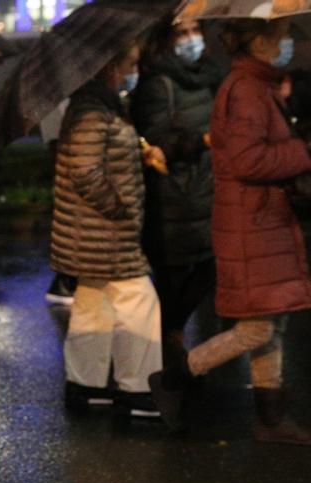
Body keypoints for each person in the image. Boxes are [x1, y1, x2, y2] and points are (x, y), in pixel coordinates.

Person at [151, 18, 311, 445]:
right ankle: (172, 379)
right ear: (259, 42)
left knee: (269, 323)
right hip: (251, 221)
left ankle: (271, 420)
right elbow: (247, 161)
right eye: (281, 37)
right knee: (257, 327)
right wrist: (301, 151)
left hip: (261, 219)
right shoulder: (245, 89)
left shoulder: (257, 85)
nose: (288, 44)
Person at [50, 42, 165, 416]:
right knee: (139, 300)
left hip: (95, 234)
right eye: (129, 63)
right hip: (105, 233)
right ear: (109, 66)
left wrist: (139, 153)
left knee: (93, 303)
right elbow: (85, 171)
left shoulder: (99, 105)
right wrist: (120, 209)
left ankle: (86, 386)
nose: (134, 70)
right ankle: (139, 388)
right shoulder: (92, 110)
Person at [132, 17, 222, 368]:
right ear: (166, 40)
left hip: (209, 190)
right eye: (182, 33)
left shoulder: (212, 77)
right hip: (173, 195)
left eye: (195, 30)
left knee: (211, 265)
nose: (191, 39)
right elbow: (154, 139)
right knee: (172, 279)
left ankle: (170, 338)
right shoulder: (158, 84)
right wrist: (198, 142)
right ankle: (166, 355)